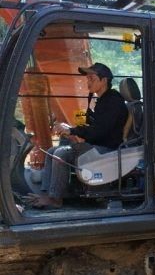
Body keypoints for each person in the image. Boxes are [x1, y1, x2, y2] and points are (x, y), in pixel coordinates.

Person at [28, 63, 128, 208]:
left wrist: (72, 130)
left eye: (91, 79)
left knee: (61, 153)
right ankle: (48, 193)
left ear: (104, 80)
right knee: (51, 151)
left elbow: (100, 132)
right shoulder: (101, 100)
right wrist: (71, 131)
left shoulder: (113, 100)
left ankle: (56, 199)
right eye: (87, 79)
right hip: (97, 145)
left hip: (108, 149)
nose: (88, 82)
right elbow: (94, 128)